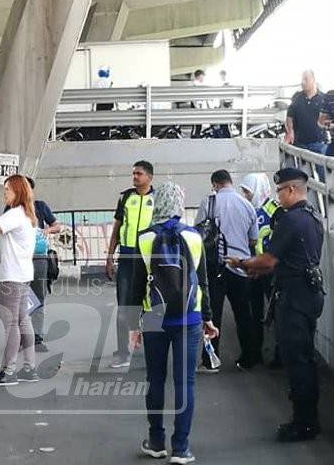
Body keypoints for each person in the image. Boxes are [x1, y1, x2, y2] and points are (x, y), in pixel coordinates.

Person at [227, 168, 325, 442]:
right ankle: (308, 419)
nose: (278, 196)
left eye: (280, 191)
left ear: (292, 190)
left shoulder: (292, 220)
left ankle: (304, 423)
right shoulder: (312, 217)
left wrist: (243, 264)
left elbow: (270, 260)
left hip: (294, 297)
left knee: (298, 362)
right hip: (308, 293)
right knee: (304, 358)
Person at [130, 181, 219, 464]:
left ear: (158, 204)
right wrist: (208, 318)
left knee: (155, 379)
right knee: (186, 383)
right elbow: (203, 281)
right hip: (189, 317)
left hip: (154, 317)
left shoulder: (144, 238)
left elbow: (134, 287)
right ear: (179, 204)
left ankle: (156, 442)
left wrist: (133, 326)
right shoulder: (194, 237)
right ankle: (181, 448)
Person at [0, 175, 40, 387]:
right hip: (23, 275)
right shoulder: (28, 215)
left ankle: (8, 370)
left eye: (7, 190)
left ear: (18, 192)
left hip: (11, 277)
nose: (4, 193)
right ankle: (29, 368)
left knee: (12, 324)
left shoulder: (14, 214)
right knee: (23, 321)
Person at [194, 169, 259, 371]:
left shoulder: (209, 202)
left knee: (212, 315)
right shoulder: (247, 205)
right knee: (243, 314)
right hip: (239, 267)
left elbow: (198, 233)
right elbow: (253, 239)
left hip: (215, 268)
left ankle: (211, 360)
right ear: (230, 182)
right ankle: (249, 358)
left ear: (215, 184)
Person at [106, 161, 155, 369]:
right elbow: (117, 226)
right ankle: (122, 353)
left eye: (139, 174)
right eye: (133, 173)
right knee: (124, 308)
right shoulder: (126, 197)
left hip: (150, 259)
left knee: (152, 308)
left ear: (149, 177)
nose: (135, 177)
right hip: (127, 258)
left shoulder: (158, 198)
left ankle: (154, 352)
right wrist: (109, 255)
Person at [239, 173, 277, 368]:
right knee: (254, 311)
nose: (245, 195)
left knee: (276, 312)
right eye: (244, 191)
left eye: (248, 191)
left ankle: (279, 355)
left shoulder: (274, 210)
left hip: (270, 268)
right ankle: (255, 353)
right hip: (254, 267)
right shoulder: (246, 209)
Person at [26, 177, 62, 352]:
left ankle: (37, 337)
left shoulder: (40, 206)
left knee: (38, 297)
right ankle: (24, 337)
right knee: (22, 298)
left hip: (39, 257)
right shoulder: (11, 209)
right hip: (19, 259)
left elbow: (57, 226)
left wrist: (46, 230)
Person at [285, 70, 326, 155]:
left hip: (318, 144)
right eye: (302, 80)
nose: (303, 82)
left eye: (306, 79)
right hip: (300, 144)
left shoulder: (324, 99)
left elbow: (328, 119)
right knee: (299, 168)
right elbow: (289, 116)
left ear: (313, 80)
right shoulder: (297, 98)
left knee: (321, 167)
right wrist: (290, 131)